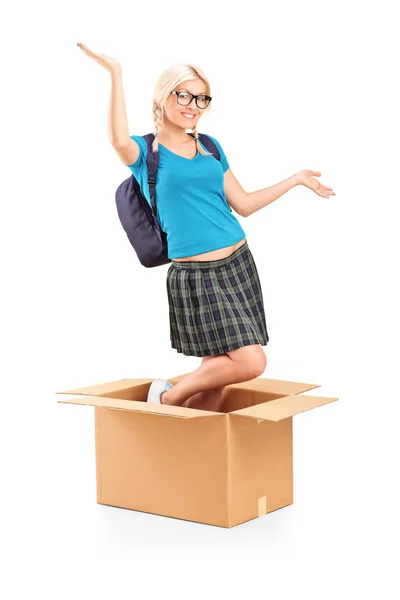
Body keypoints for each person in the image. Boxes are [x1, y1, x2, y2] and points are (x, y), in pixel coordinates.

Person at [77, 42, 335, 412]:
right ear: (164, 96)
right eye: (184, 95)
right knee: (251, 362)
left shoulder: (211, 147)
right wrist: (115, 72)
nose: (192, 106)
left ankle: (190, 446)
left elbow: (243, 204)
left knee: (215, 379)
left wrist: (294, 180)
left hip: (239, 264)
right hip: (197, 273)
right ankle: (167, 397)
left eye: (201, 99)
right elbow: (118, 139)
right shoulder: (145, 153)